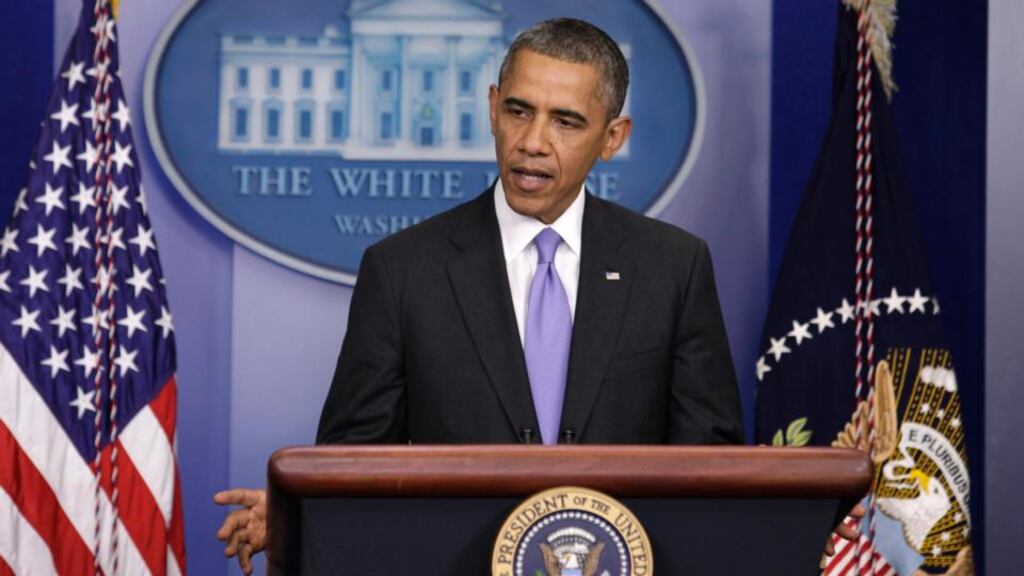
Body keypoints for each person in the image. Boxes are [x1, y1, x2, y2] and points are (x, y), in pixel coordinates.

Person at [216, 18, 855, 574]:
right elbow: (350, 466)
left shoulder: (673, 268)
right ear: (493, 107)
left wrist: (787, 517)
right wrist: (301, 513)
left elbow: (708, 468)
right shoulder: (402, 269)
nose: (532, 141)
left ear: (613, 138)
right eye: (519, 111)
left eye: (566, 121)